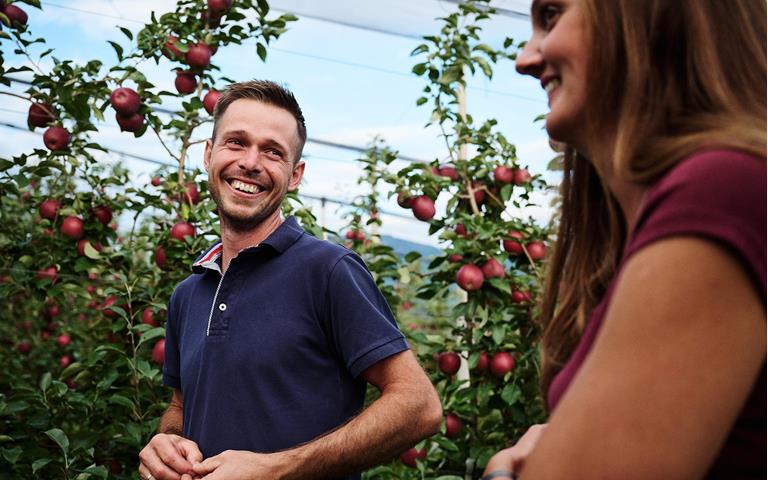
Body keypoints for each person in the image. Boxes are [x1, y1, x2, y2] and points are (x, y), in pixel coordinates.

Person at [482, 0, 766, 479]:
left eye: (550, 16)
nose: (525, 58)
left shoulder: (717, 194)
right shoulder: (673, 215)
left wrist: (501, 473)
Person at [138, 80, 442, 480]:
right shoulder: (188, 294)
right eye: (236, 142)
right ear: (209, 154)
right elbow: (181, 406)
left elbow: (419, 406)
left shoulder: (328, 271)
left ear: (295, 174)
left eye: (273, 151)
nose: (250, 162)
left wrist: (276, 469)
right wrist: (167, 441)